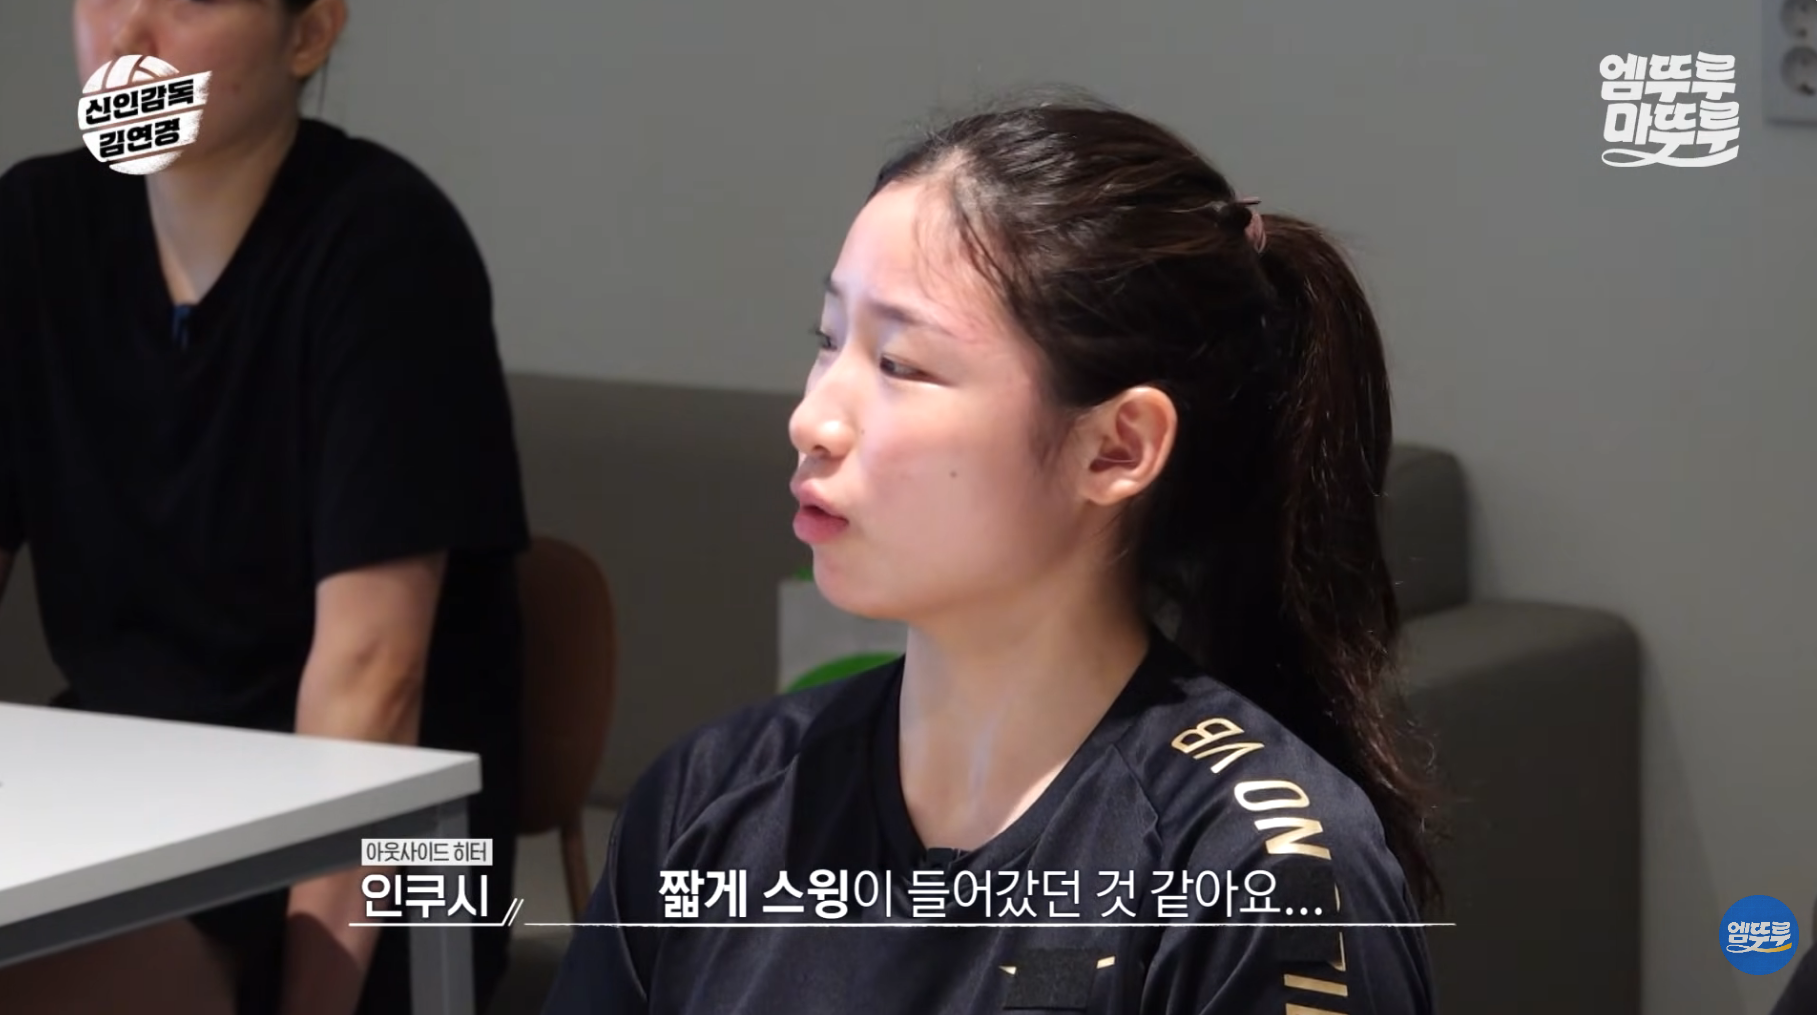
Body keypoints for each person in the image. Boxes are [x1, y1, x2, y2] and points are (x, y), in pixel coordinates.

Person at [542, 96, 1440, 1014]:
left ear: (1116, 447)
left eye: (900, 364)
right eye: (827, 340)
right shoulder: (710, 797)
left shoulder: (1258, 867)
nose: (812, 419)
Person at [0, 1, 528, 1013]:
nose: (128, 35)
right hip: (119, 805)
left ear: (308, 33)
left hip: (362, 847)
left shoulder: (383, 244)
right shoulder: (35, 224)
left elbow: (375, 677)